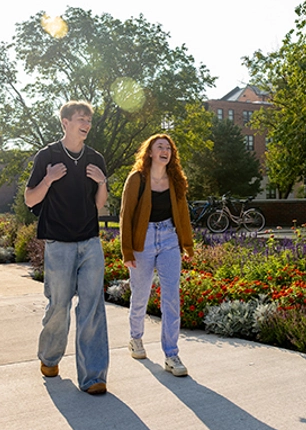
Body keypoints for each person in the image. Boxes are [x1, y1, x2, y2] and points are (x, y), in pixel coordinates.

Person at [25, 100, 109, 395]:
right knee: (59, 305)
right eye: (80, 119)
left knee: (92, 307)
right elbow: (30, 200)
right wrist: (49, 178)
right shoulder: (47, 156)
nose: (86, 124)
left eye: (88, 119)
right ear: (65, 122)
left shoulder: (96, 158)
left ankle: (93, 376)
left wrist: (102, 183)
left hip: (89, 242)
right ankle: (49, 357)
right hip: (58, 243)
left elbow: (99, 205)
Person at [119, 133, 194, 376]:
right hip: (144, 240)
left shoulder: (176, 180)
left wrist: (187, 245)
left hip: (169, 239)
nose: (165, 150)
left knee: (171, 297)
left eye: (168, 148)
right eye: (159, 146)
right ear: (150, 152)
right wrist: (127, 250)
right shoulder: (136, 179)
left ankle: (171, 354)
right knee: (140, 294)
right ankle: (135, 338)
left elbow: (182, 215)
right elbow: (125, 215)